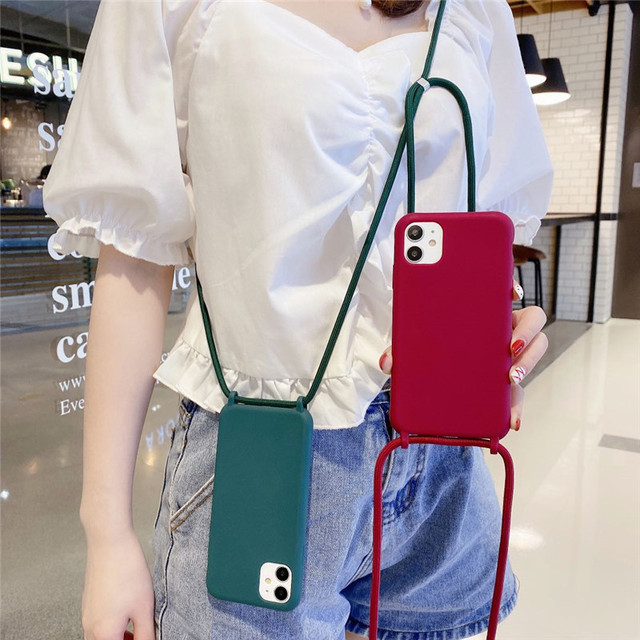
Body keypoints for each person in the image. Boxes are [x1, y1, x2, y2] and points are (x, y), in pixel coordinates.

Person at [42, 0, 553, 638]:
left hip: (442, 464)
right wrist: (106, 530)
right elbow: (134, 256)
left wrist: (497, 329)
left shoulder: (474, 9)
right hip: (264, 454)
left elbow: (482, 216)